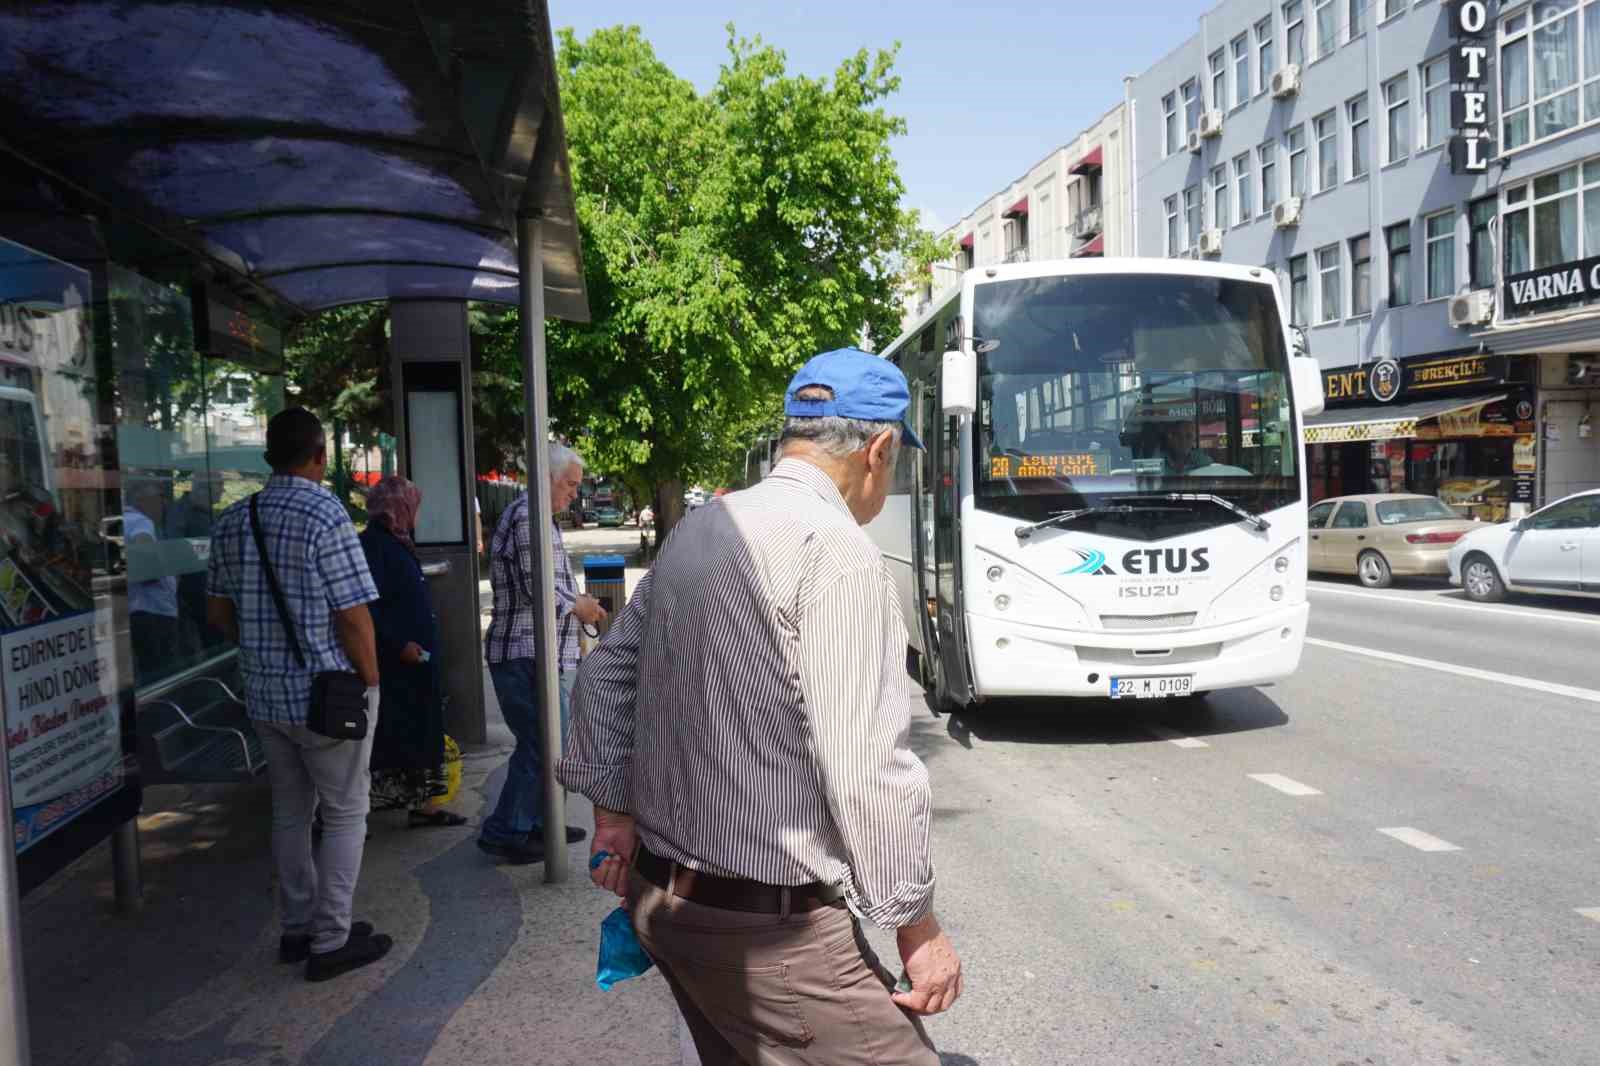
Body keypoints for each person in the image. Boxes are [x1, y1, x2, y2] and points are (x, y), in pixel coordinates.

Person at [560, 348, 963, 1065]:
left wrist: (613, 816)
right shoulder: (838, 552)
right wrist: (917, 927)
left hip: (664, 903)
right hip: (770, 935)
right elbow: (867, 768)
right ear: (880, 448)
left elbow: (604, 679)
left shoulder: (705, 527)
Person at [206, 407, 392, 982]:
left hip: (265, 697)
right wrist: (371, 679)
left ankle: (297, 927)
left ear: (269, 456)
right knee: (345, 812)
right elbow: (354, 616)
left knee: (290, 809)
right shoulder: (325, 513)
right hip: (327, 696)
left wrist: (265, 653)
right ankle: (331, 939)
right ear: (318, 455)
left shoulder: (235, 519)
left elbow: (217, 614)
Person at [479, 442, 607, 865]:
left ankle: (537, 822)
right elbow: (544, 593)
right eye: (570, 484)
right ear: (547, 477)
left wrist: (577, 602)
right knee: (542, 743)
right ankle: (510, 829)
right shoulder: (528, 517)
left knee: (549, 743)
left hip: (531, 652)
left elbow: (550, 589)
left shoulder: (535, 517)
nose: (575, 493)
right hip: (524, 652)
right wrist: (581, 605)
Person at [359, 475, 465, 828]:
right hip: (397, 661)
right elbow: (366, 608)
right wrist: (397, 644)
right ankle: (364, 812)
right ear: (397, 508)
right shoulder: (375, 547)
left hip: (414, 659)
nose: (417, 514)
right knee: (393, 735)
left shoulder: (395, 541)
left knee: (421, 729)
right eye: (413, 506)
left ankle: (426, 806)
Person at [123, 475, 179, 687]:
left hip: (134, 608)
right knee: (161, 673)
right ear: (142, 500)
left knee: (145, 669)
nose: (164, 503)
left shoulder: (121, 520)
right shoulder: (140, 521)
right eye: (159, 497)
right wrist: (161, 574)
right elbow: (144, 551)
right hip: (154, 610)